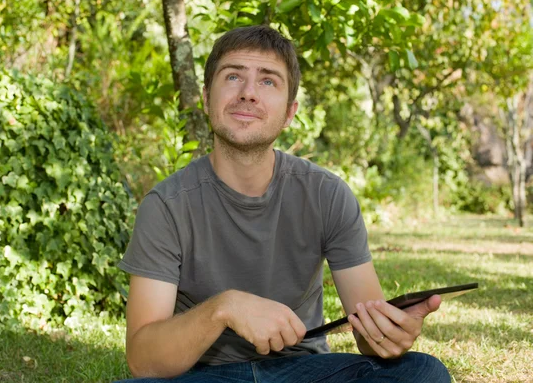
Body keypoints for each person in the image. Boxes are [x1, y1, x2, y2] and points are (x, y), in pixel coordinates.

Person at [115, 25, 451, 382]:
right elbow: (143, 360)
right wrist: (222, 309)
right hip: (203, 375)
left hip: (302, 371)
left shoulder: (328, 195)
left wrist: (388, 334)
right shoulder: (166, 205)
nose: (248, 93)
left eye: (268, 81)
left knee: (422, 372)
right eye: (233, 76)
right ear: (205, 97)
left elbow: (368, 335)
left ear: (290, 112)